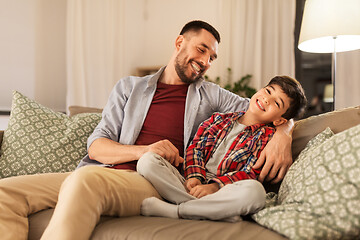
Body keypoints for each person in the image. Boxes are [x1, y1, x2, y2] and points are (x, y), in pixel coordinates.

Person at [0, 20, 293, 240]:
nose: (205, 61)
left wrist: (285, 132)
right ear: (179, 42)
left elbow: (262, 109)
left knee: (85, 181)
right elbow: (97, 147)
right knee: (5, 193)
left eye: (212, 58)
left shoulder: (212, 95)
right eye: (201, 50)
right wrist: (145, 149)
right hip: (103, 170)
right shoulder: (129, 88)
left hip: (149, 180)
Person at [137, 76, 307, 222]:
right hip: (190, 184)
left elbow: (251, 173)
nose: (267, 99)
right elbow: (195, 148)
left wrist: (214, 187)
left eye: (276, 103)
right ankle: (214, 212)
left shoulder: (267, 138)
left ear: (279, 121)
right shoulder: (218, 120)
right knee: (147, 161)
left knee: (255, 193)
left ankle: (178, 211)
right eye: (268, 91)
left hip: (224, 191)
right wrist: (194, 177)